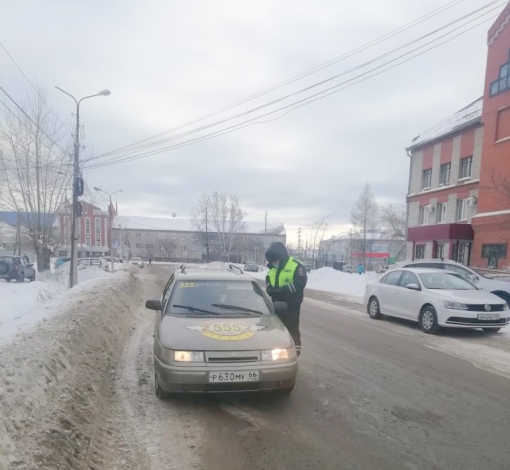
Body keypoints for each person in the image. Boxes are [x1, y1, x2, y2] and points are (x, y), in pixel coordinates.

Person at [265, 242, 307, 356]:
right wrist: (270, 289)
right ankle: (278, 353)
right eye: (272, 261)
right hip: (276, 304)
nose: (274, 263)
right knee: (277, 330)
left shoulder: (295, 265)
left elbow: (300, 283)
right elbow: (268, 281)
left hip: (291, 304)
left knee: (292, 329)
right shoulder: (272, 268)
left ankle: (295, 354)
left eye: (275, 260)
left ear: (281, 256)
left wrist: (281, 290)